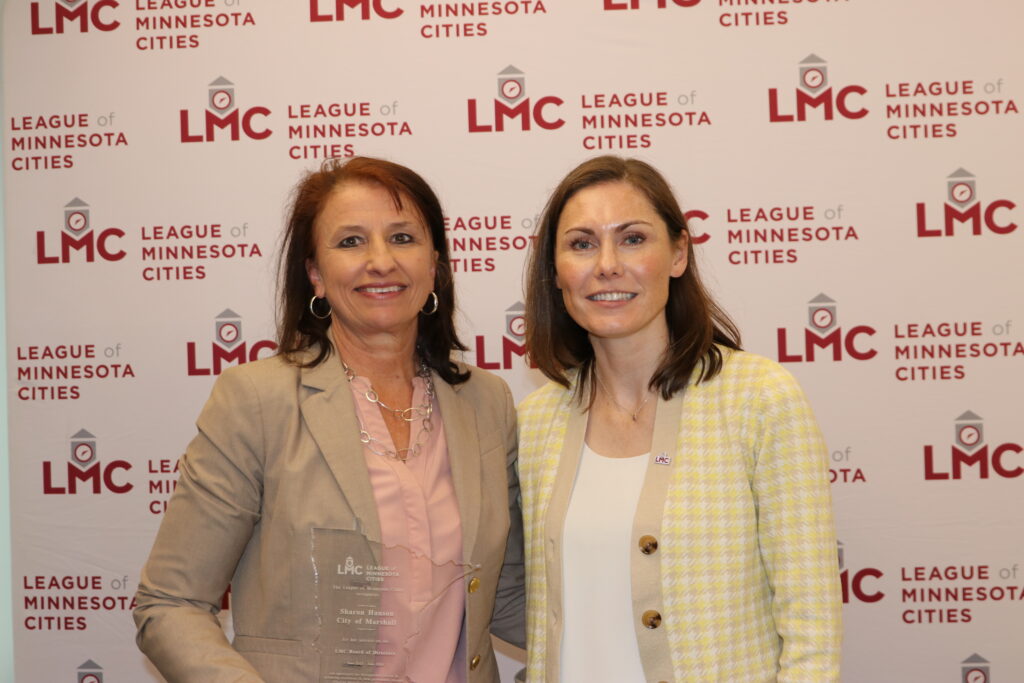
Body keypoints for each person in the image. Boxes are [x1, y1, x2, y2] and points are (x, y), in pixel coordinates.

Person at [134, 156, 525, 682]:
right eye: (351, 242)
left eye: (403, 238)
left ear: (434, 265)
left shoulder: (486, 402)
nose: (381, 261)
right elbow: (170, 602)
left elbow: (509, 596)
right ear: (315, 275)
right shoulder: (258, 401)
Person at [517, 156, 841, 682]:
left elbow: (813, 632)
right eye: (581, 244)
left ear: (678, 254)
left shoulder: (758, 399)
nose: (607, 265)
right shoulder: (534, 423)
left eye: (633, 239)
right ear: (555, 272)